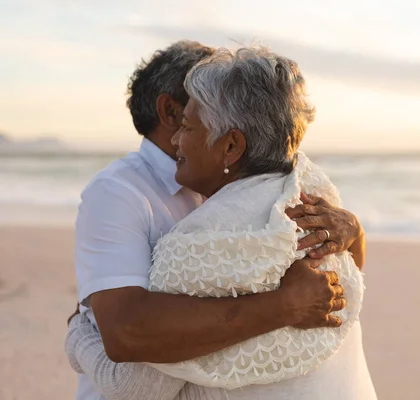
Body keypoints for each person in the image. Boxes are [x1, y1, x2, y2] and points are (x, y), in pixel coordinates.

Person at [66, 41, 369, 400]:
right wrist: (285, 305)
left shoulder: (207, 235)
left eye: (190, 125)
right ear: (168, 109)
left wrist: (77, 333)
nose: (180, 136)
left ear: (231, 146)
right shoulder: (303, 183)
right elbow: (129, 332)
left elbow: (132, 382)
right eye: (183, 120)